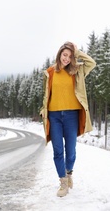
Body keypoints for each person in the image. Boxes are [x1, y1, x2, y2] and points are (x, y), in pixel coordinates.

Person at [40, 41, 96, 197]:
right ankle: (63, 182)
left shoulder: (77, 70)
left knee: (70, 152)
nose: (67, 59)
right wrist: (43, 109)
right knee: (58, 151)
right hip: (54, 115)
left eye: (70, 56)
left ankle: (69, 173)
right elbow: (46, 94)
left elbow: (92, 62)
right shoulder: (49, 72)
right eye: (65, 55)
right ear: (59, 54)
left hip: (72, 115)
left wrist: (77, 53)